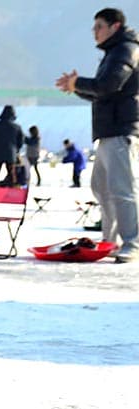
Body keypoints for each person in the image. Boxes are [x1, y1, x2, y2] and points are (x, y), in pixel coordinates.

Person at [57, 7, 139, 263]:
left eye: (99, 27)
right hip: (107, 130)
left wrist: (78, 83)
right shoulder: (113, 52)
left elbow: (109, 85)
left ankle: (132, 242)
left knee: (122, 189)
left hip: (121, 129)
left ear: (114, 26)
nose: (94, 32)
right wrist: (76, 87)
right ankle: (109, 241)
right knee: (101, 188)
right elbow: (103, 91)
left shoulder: (126, 50)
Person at [0, 104, 24, 187]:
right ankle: (11, 192)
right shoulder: (17, 127)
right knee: (11, 174)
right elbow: (21, 141)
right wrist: (16, 150)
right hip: (11, 153)